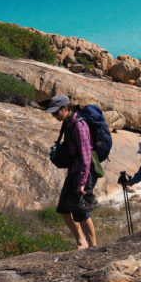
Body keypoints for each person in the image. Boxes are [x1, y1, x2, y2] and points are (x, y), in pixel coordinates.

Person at [45, 93, 97, 249]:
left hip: (83, 174)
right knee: (63, 209)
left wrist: (82, 182)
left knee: (82, 211)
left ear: (65, 108)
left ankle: (93, 246)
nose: (54, 115)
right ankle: (82, 241)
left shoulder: (79, 126)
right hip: (74, 171)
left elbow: (86, 157)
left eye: (55, 112)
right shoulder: (68, 123)